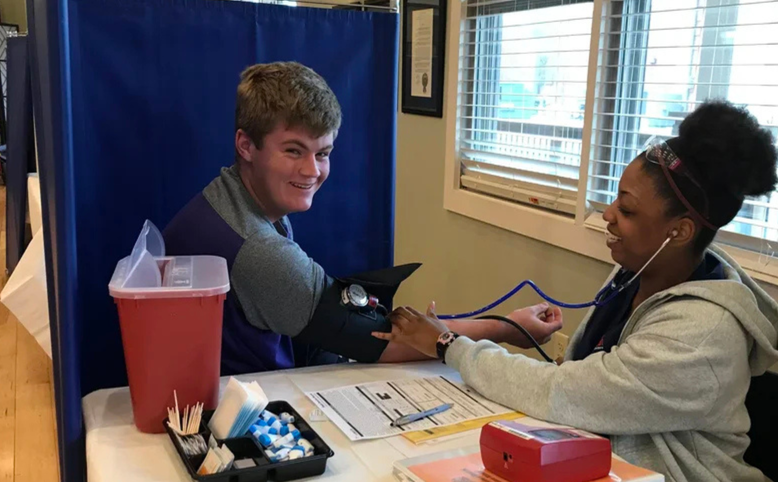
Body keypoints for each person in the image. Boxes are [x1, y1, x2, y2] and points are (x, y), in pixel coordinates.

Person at [373, 101, 778, 482]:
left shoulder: (703, 335)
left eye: (627, 210)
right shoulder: (635, 274)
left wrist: (450, 344)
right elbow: (581, 380)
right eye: (616, 199)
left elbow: (564, 393)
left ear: (680, 231)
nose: (608, 215)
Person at [162, 61, 563, 376]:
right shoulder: (258, 250)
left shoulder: (224, 200)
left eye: (323, 153)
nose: (312, 171)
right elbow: (383, 340)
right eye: (293, 151)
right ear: (246, 145)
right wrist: (508, 329)